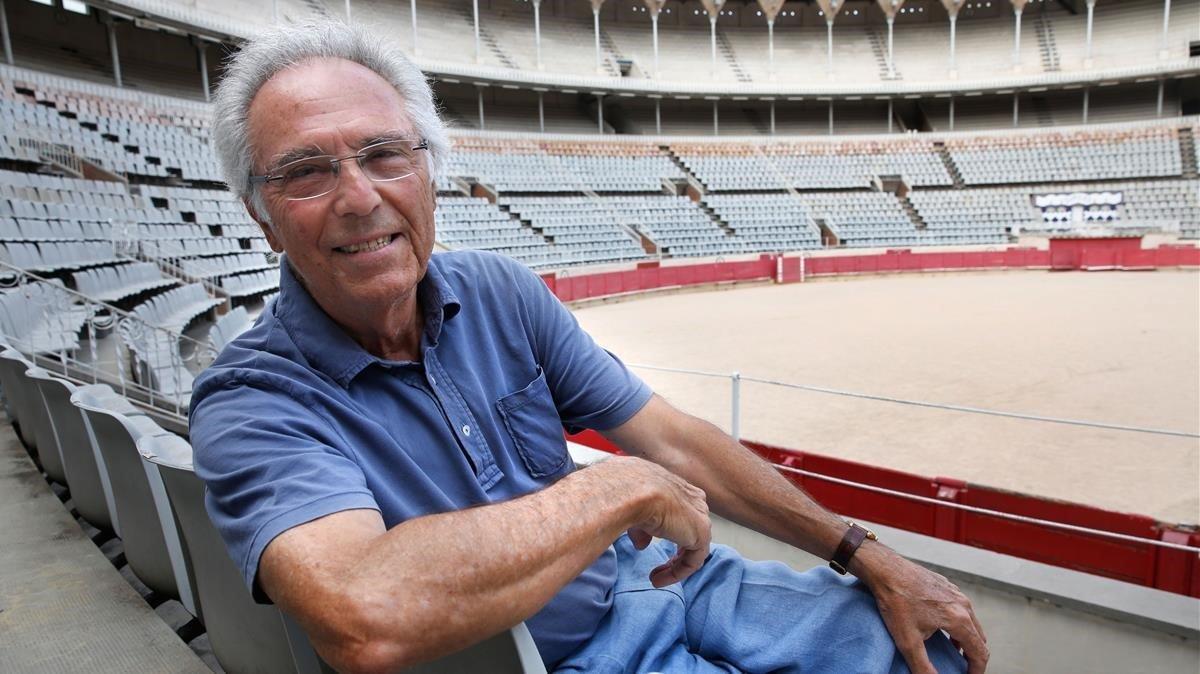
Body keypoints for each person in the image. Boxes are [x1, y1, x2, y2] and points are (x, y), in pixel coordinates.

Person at [190, 19, 987, 674]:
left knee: (930, 652)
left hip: (663, 584)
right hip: (569, 660)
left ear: (428, 171)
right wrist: (612, 492)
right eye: (306, 173)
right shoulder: (252, 400)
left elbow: (672, 439)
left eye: (384, 155)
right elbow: (362, 614)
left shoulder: (498, 290)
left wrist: (867, 555)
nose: (361, 198)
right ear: (262, 217)